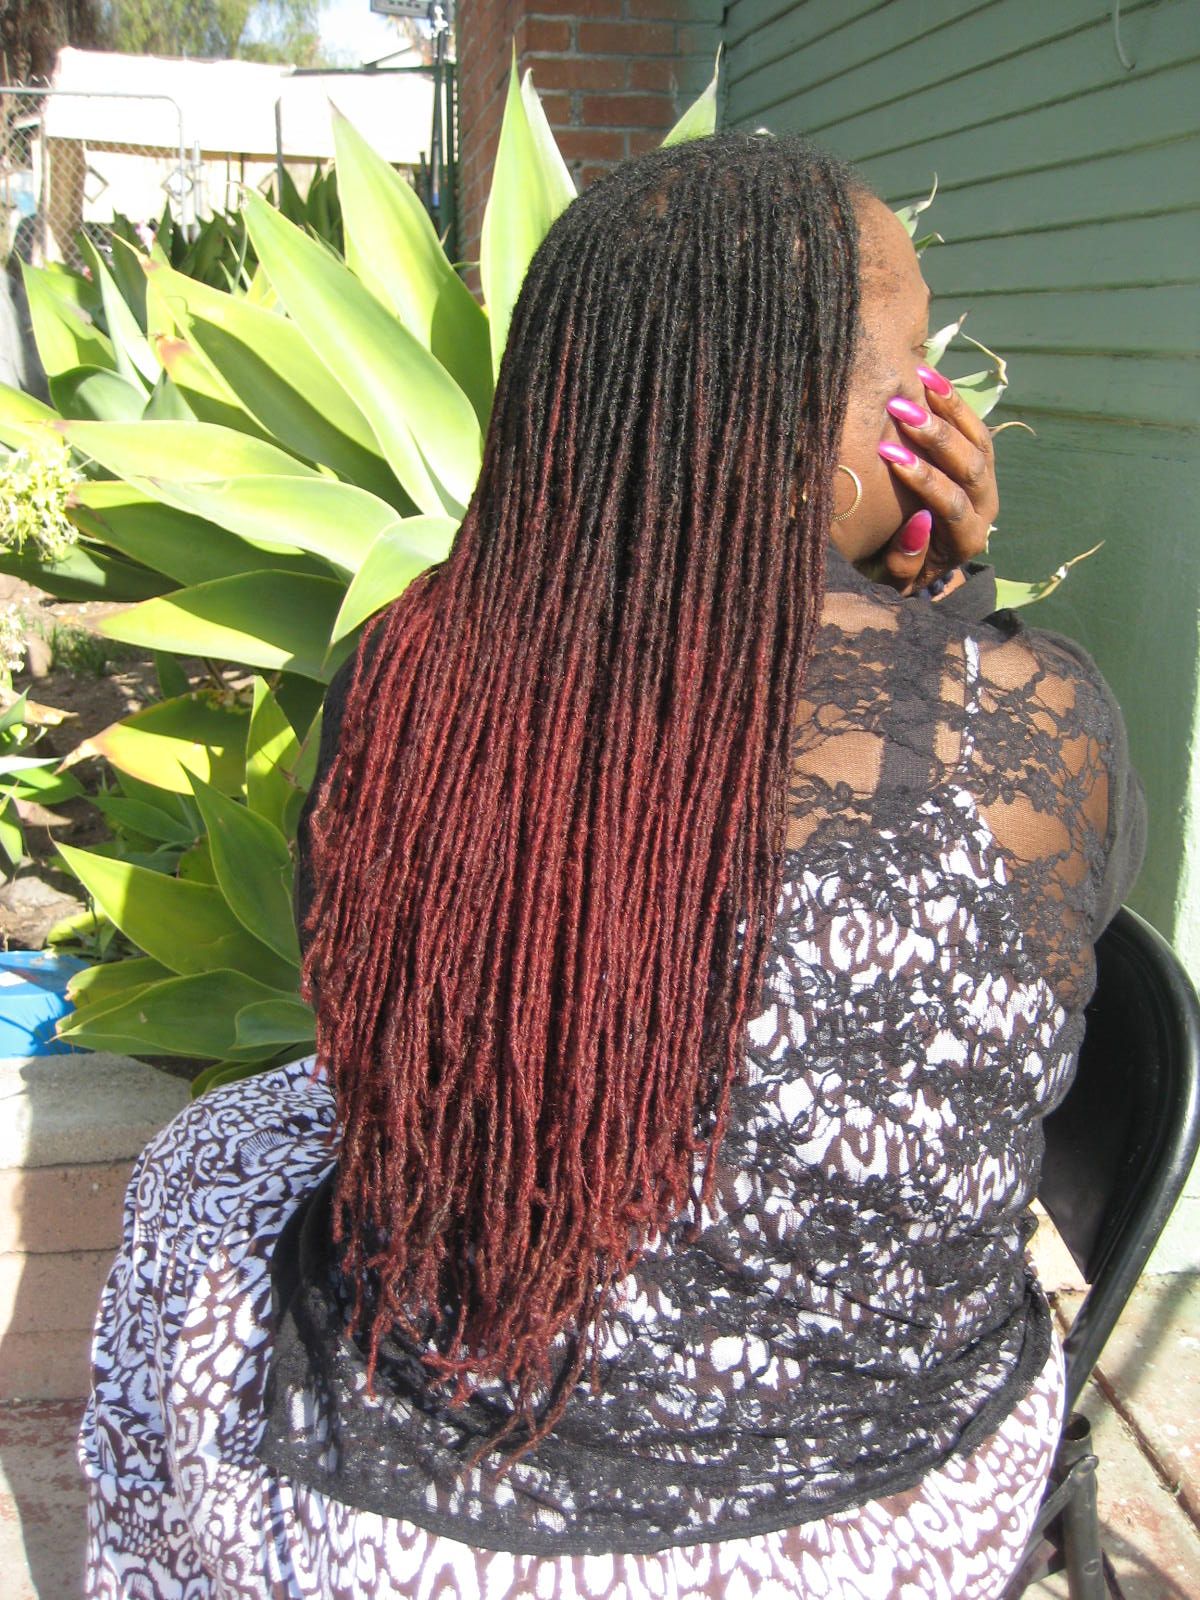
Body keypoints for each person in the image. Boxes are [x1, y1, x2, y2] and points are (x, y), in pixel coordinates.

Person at [79, 131, 1145, 1599]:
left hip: (407, 1522)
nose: (944, 403)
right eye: (915, 364)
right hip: (872, 1519)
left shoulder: (408, 680)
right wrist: (939, 622)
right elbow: (1026, 982)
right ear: (820, 425)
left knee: (208, 1167)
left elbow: (376, 1031)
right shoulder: (1032, 724)